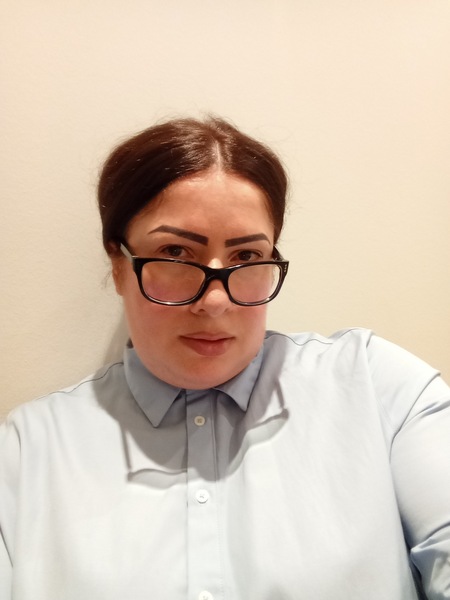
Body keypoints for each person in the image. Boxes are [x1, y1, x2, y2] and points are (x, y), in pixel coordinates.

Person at [0, 116, 449, 600]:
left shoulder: (377, 388)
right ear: (119, 264)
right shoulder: (29, 450)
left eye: (246, 257)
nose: (215, 302)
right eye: (175, 252)